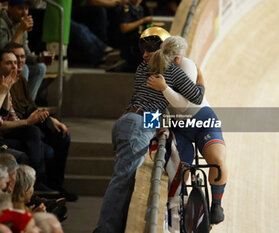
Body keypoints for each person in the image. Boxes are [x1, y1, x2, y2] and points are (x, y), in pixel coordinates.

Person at [93, 26, 205, 233]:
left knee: (124, 181)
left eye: (149, 50)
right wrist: (200, 78)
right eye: (143, 50)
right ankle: (104, 229)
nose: (144, 55)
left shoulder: (142, 68)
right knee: (121, 181)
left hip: (127, 121)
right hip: (136, 125)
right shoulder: (171, 70)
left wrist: (156, 127)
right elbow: (196, 97)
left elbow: (149, 103)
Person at [147, 36, 227, 224]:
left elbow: (186, 104)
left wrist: (164, 88)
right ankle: (179, 207)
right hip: (180, 128)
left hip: (202, 121)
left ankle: (216, 204)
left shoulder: (187, 65)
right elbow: (149, 104)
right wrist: (153, 128)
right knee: (180, 170)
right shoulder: (151, 73)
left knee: (217, 161)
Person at [1, 44, 77, 201]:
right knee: (34, 132)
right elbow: (3, 121)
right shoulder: (4, 85)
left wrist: (49, 118)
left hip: (22, 123)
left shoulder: (19, 79)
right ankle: (38, 184)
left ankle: (57, 186)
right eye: (11, 61)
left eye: (21, 58)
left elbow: (29, 106)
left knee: (61, 134)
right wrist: (29, 121)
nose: (18, 63)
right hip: (13, 130)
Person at [0, 0, 53, 100]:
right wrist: (20, 30)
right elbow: (5, 53)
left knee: (40, 67)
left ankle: (27, 107)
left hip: (13, 62)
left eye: (26, 8)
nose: (25, 13)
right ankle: (15, 107)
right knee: (22, 69)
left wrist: (39, 58)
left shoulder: (21, 23)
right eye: (20, 8)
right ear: (9, 8)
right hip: (2, 64)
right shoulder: (1, 22)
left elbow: (26, 54)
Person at [108, 0, 153, 72]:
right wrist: (142, 21)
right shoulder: (126, 8)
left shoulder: (140, 8)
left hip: (137, 36)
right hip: (128, 39)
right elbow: (124, 28)